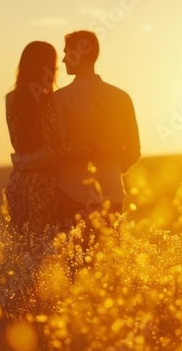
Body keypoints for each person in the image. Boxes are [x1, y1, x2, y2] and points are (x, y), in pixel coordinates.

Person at [12, 31, 141, 228]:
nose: (63, 59)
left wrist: (24, 162)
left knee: (75, 257)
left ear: (78, 55)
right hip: (113, 192)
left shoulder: (58, 99)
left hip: (71, 195)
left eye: (67, 52)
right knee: (109, 255)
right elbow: (133, 151)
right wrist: (112, 168)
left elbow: (56, 149)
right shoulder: (122, 97)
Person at [3, 41, 92, 239]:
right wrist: (87, 148)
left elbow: (17, 142)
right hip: (43, 184)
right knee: (45, 248)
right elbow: (56, 148)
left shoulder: (11, 99)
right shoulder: (48, 101)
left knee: (21, 246)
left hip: (17, 182)